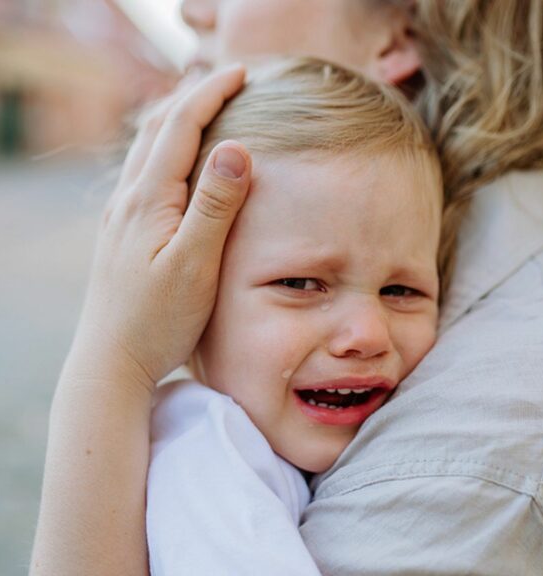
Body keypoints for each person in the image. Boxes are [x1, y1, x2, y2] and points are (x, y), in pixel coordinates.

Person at [31, 1, 543, 574]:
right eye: (298, 282)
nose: (194, 11)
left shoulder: (477, 445)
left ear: (398, 30)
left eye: (404, 292)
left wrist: (114, 358)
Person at [146, 57, 441, 575]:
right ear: (193, 302)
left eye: (401, 290)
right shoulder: (207, 460)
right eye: (301, 284)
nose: (367, 335)